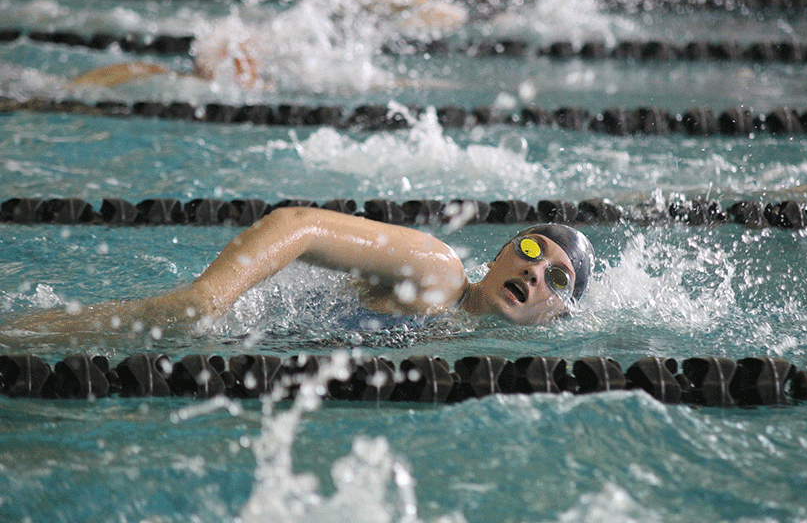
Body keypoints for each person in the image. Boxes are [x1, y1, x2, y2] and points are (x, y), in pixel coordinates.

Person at [12, 206, 595, 338]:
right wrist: (207, 297)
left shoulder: (463, 334)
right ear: (498, 257)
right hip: (220, 325)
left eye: (560, 281)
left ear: (559, 314)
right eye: (532, 251)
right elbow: (301, 225)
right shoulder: (437, 271)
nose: (538, 272)